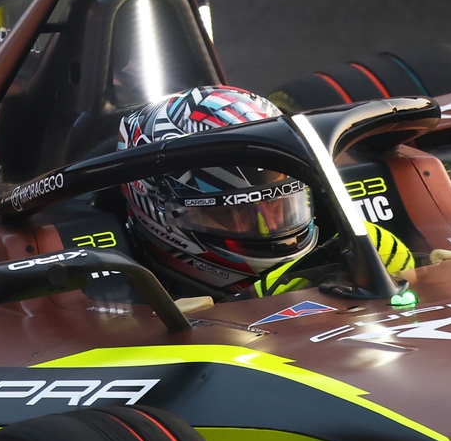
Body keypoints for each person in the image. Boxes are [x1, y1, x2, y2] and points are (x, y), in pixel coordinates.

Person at [115, 85, 413, 300]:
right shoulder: (110, 299)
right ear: (161, 212)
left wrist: (427, 272)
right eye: (233, 214)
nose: (269, 226)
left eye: (280, 206)